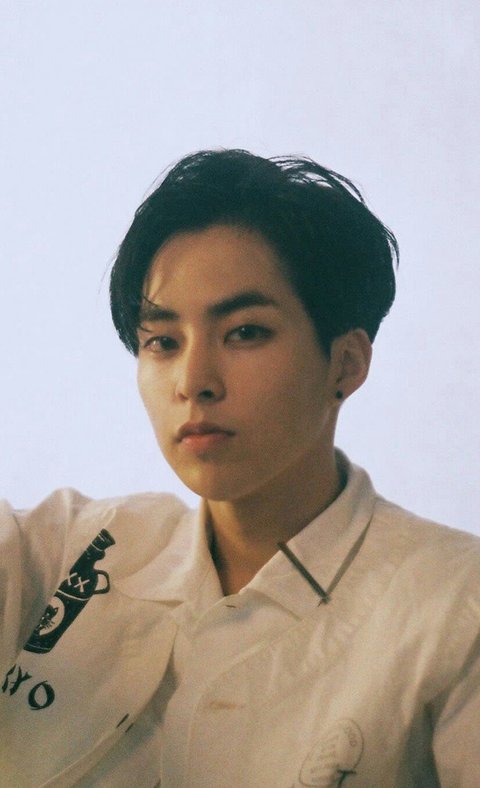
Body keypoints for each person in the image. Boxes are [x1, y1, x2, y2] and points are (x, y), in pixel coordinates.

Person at [1, 149, 479, 787]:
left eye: (245, 332)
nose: (193, 381)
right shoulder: (62, 549)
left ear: (346, 363)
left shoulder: (455, 606)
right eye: (162, 342)